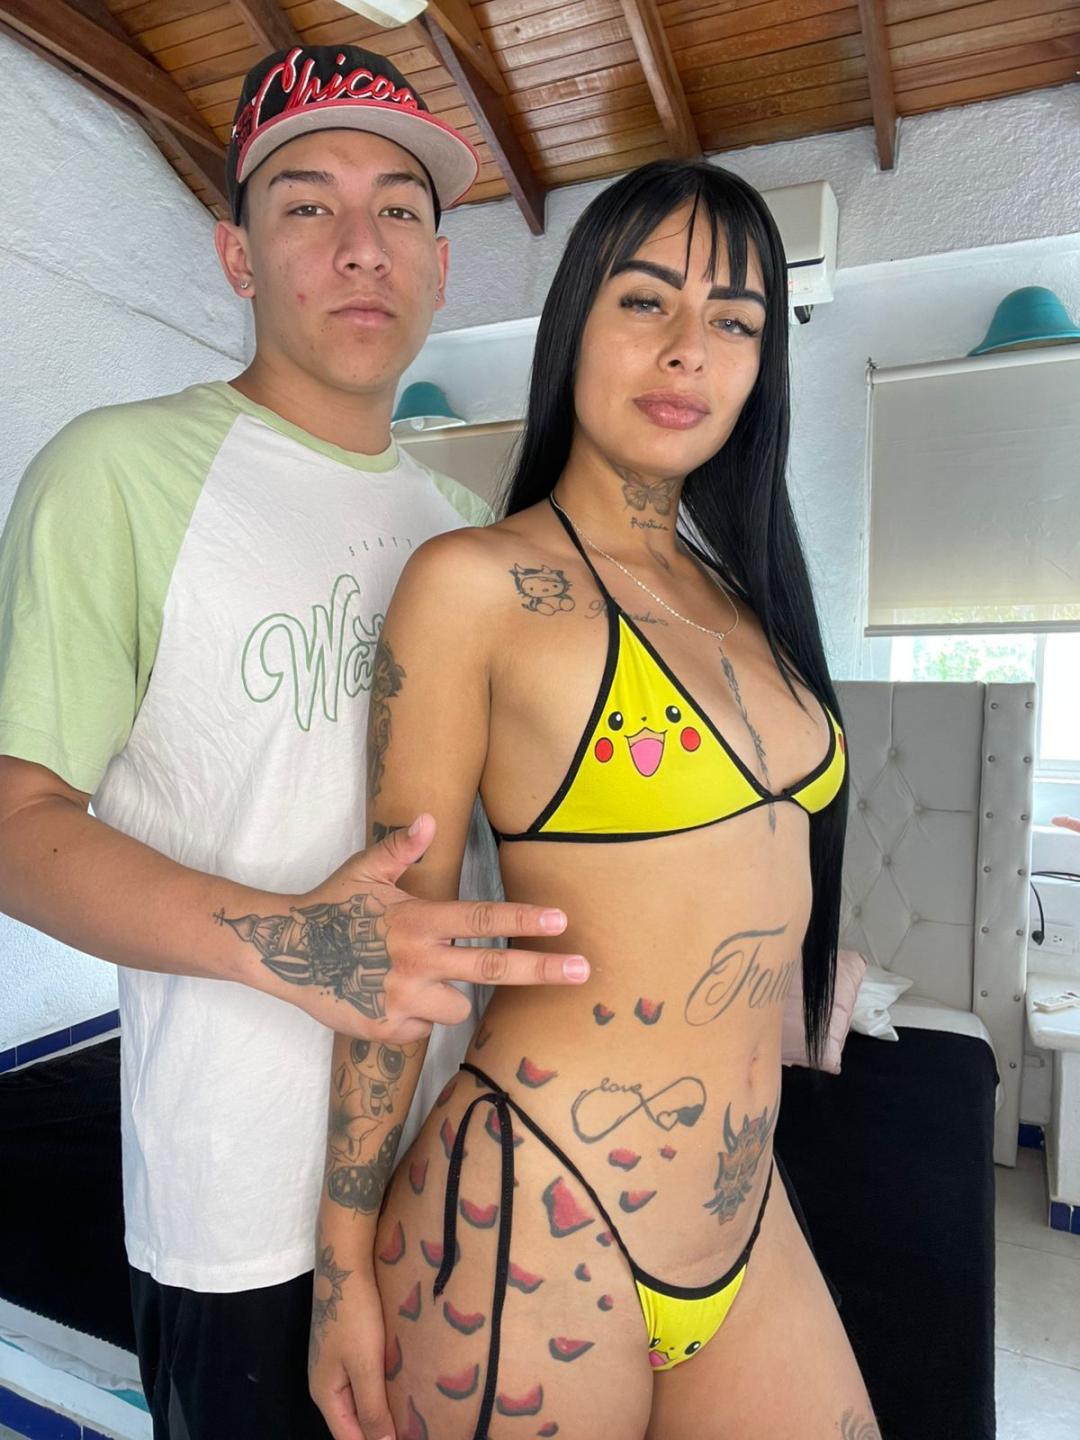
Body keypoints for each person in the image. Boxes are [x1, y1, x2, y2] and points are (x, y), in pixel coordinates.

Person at [0, 45, 588, 1440]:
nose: (360, 245)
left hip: (449, 1161)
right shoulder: (117, 472)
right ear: (237, 256)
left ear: (441, 266)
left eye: (399, 208)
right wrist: (300, 945)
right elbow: (16, 824)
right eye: (307, 204)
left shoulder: (468, 528)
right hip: (236, 1197)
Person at [311, 159, 882, 1440]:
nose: (690, 350)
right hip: (536, 1209)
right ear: (574, 321)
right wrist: (340, 1262)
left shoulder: (751, 601)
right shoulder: (475, 585)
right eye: (645, 301)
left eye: (735, 321)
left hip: (741, 1212)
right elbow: (391, 943)